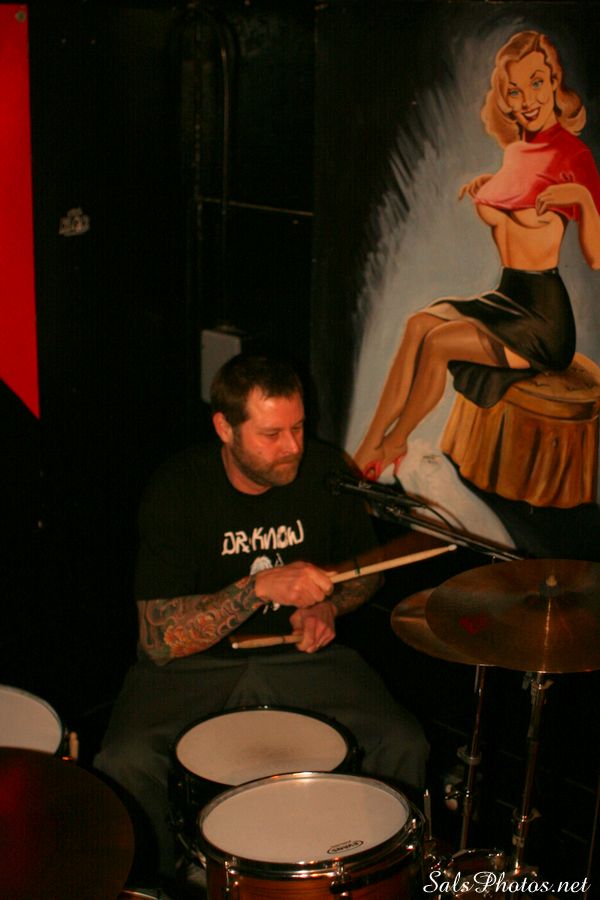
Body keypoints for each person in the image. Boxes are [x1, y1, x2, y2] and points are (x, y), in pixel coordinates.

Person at [94, 353, 429, 883]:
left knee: (403, 742)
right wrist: (255, 589)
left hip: (302, 657)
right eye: (272, 434)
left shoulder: (324, 472)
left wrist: (327, 606)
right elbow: (157, 639)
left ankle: (371, 880)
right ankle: (160, 885)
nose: (292, 446)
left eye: (298, 427)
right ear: (225, 428)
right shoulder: (179, 488)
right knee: (123, 760)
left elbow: (366, 575)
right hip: (196, 665)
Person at [354, 30, 600, 482]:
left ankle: (396, 441)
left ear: (555, 81)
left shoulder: (575, 156)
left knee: (439, 343)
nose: (528, 100)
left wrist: (582, 200)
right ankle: (371, 440)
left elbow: (596, 257)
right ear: (505, 100)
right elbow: (517, 211)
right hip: (509, 296)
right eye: (515, 90)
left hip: (542, 320)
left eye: (537, 83)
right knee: (418, 325)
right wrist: (491, 187)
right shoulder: (516, 152)